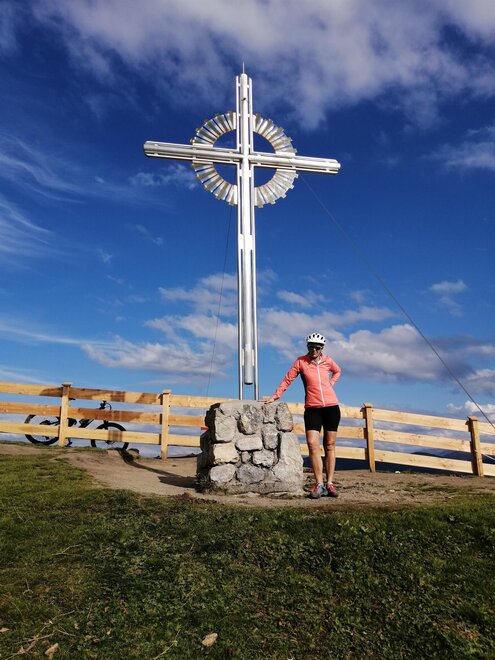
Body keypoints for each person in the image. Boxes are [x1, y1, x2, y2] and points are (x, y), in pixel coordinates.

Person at [264, 332, 342, 499]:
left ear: (322, 348)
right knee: (313, 445)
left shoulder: (328, 361)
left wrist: (330, 384)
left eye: (317, 347)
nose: (313, 350)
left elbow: (337, 371)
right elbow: (287, 380)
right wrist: (275, 396)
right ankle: (319, 484)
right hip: (313, 408)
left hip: (331, 408)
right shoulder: (301, 362)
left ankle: (330, 483)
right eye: (310, 347)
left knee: (330, 445)